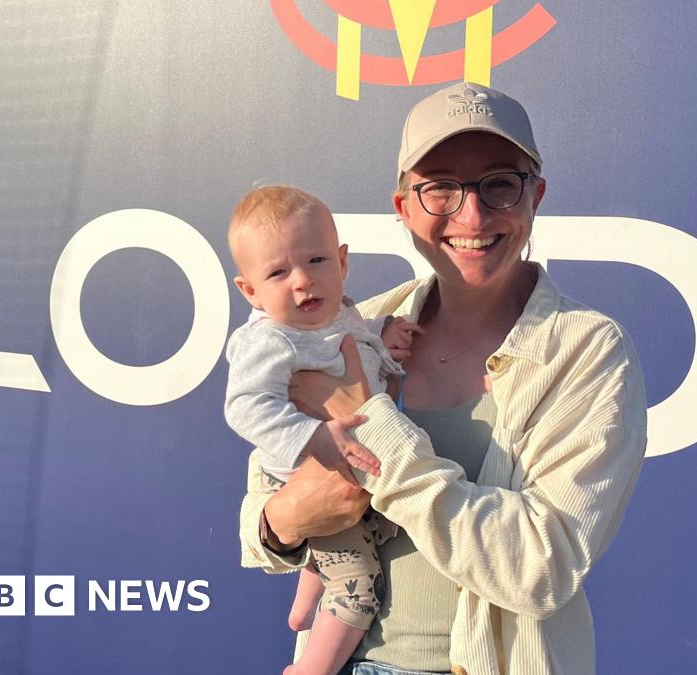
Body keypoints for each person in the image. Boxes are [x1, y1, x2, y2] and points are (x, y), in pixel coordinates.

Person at [239, 82, 648, 675]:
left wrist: (378, 432)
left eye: (499, 184)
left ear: (536, 196)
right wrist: (284, 523)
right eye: (440, 189)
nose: (472, 215)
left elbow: (543, 567)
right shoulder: (358, 327)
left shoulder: (586, 350)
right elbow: (260, 514)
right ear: (403, 206)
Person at [224, 185, 422, 675]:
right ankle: (312, 667)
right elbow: (245, 406)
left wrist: (385, 331)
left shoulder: (339, 313)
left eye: (315, 261)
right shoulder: (269, 340)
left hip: (345, 482)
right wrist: (312, 437)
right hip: (308, 478)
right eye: (277, 272)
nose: (302, 282)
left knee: (354, 539)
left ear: (342, 262)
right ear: (250, 290)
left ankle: (301, 608)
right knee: (358, 590)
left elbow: (352, 336)